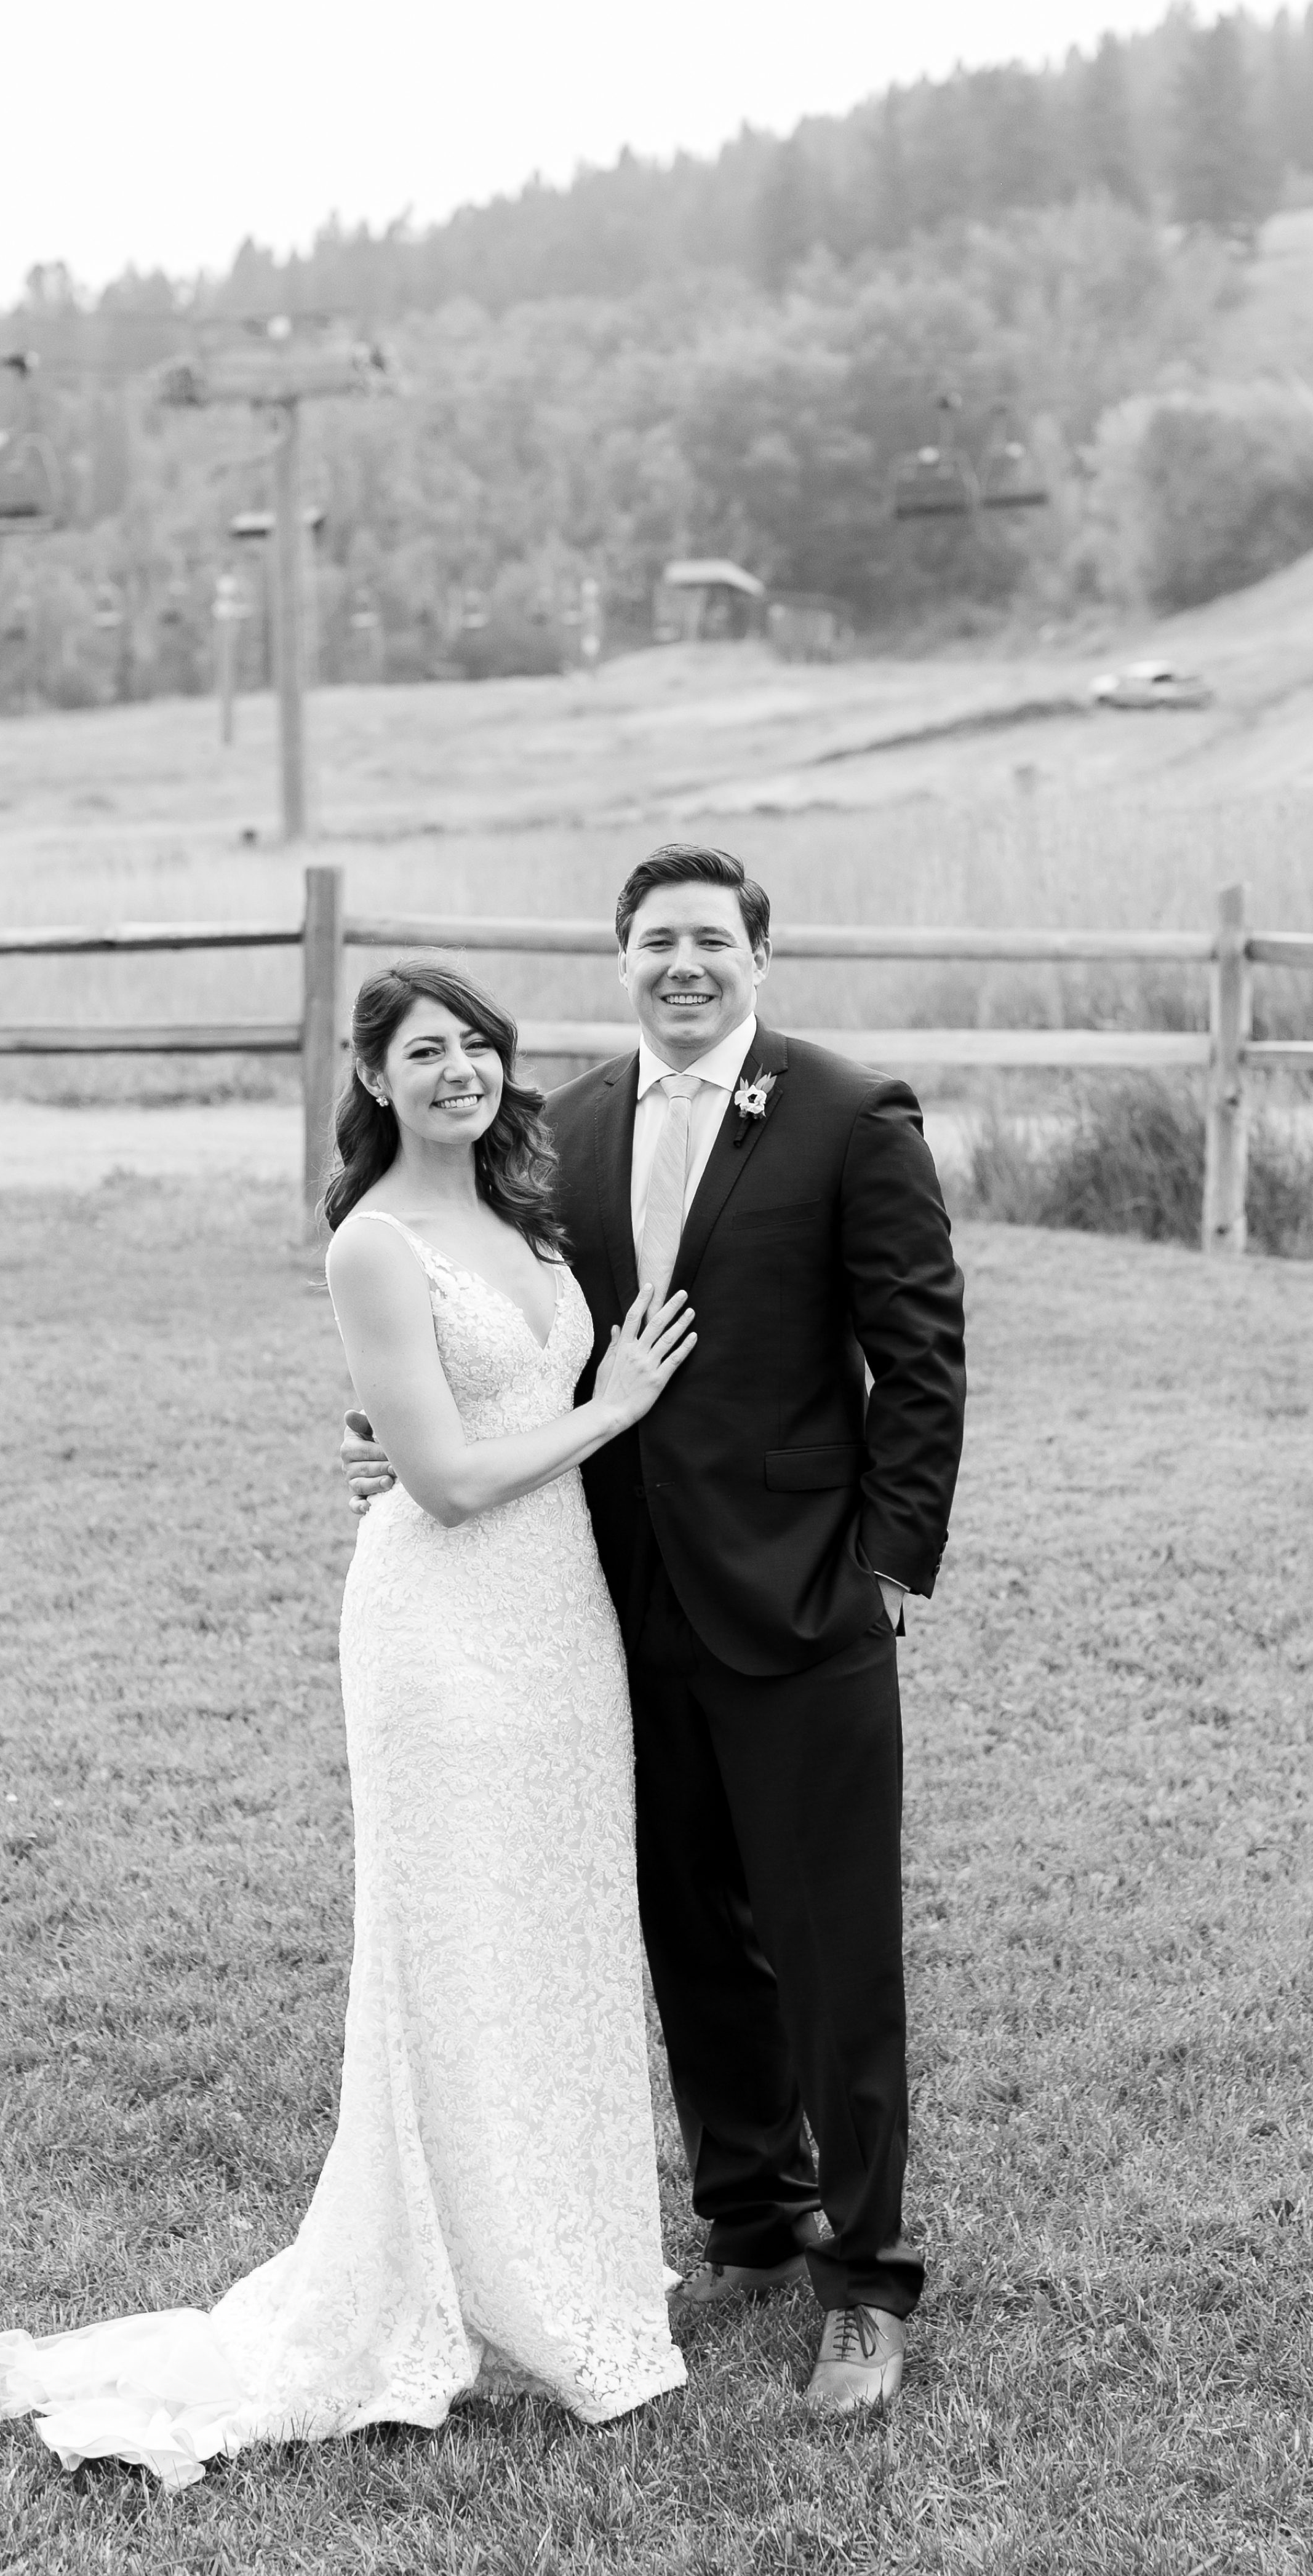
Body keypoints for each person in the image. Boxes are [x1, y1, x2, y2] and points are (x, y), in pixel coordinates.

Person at [0, 958, 692, 2487]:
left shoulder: (528, 1219)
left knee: (555, 1935)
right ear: (374, 1079)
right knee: (453, 1951)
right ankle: (468, 2284)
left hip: (561, 1625)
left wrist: (539, 1413)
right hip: (443, 1632)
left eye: (476, 1047)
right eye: (425, 1052)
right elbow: (446, 1480)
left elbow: (471, 1417)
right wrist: (615, 1405)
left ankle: (569, 2267)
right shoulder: (372, 1243)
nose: (459, 1072)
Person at [345, 842, 965, 2410]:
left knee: (833, 1948)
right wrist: (392, 1436)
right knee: (691, 1931)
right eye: (653, 943)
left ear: (759, 958)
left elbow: (921, 1349)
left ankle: (865, 2283)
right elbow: (514, 1343)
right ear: (619, 959)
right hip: (611, 1605)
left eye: (710, 941)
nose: (682, 966)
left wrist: (888, 1566)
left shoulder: (848, 1111)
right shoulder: (569, 1131)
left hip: (805, 1600)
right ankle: (754, 2216)